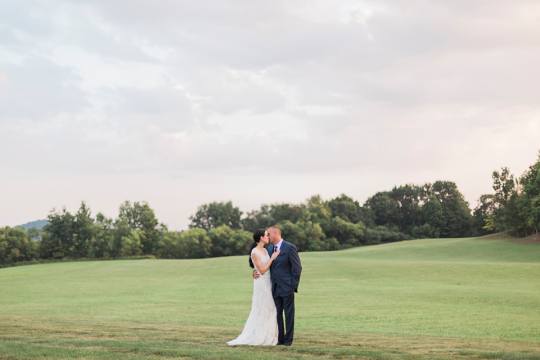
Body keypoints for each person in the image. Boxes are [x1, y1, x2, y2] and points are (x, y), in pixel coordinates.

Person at [227, 229, 281, 346]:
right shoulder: (255, 252)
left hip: (268, 282)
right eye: (267, 235)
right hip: (261, 283)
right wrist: (272, 258)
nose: (268, 237)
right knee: (264, 307)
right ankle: (260, 336)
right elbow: (261, 270)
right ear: (261, 237)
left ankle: (269, 335)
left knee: (270, 308)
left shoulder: (266, 250)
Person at [254, 225, 302, 346]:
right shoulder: (269, 250)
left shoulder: (290, 247)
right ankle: (280, 339)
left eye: (269, 234)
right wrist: (254, 272)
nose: (268, 236)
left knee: (289, 314)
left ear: (275, 233)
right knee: (277, 315)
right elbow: (263, 265)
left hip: (287, 287)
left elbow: (298, 267)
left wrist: (293, 284)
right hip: (273, 288)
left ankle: (288, 340)